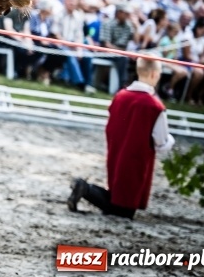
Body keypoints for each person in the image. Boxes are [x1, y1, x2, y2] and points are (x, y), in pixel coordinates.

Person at [68, 58, 175, 219]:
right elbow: (161, 142)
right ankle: (86, 189)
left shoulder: (120, 95)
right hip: (137, 158)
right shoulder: (155, 106)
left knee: (118, 196)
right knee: (124, 209)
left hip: (117, 151)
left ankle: (86, 189)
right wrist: (171, 141)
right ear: (154, 74)